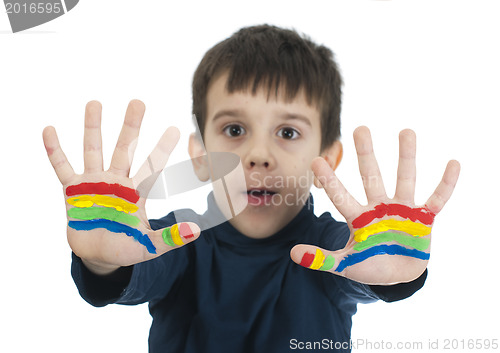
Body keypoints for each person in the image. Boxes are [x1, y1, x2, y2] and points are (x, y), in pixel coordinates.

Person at [42, 24, 460, 352]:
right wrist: (103, 261)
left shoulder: (333, 246)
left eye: (288, 132)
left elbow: (363, 268)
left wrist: (395, 277)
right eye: (235, 129)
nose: (259, 154)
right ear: (201, 158)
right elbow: (135, 266)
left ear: (327, 162)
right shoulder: (177, 239)